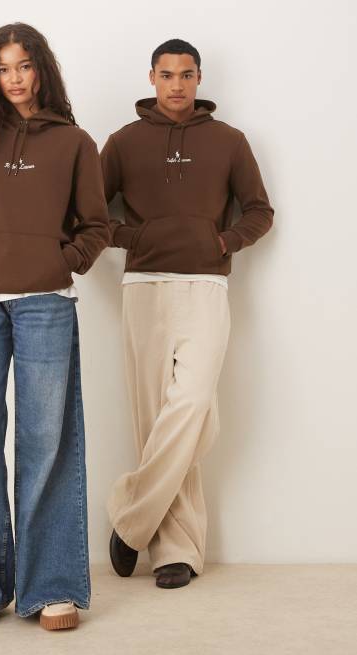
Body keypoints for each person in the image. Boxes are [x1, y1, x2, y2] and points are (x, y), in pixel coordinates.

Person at [0, 22, 109, 630]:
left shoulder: (74, 143)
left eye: (24, 66)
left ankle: (51, 585)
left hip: (47, 302)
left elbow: (96, 226)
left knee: (47, 442)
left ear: (41, 70)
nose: (14, 78)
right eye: (3, 68)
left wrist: (61, 261)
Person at [100, 39, 273, 589]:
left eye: (187, 74)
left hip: (206, 284)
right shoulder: (123, 143)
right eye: (167, 74)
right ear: (152, 77)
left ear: (199, 79)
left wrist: (223, 242)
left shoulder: (229, 141)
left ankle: (131, 520)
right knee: (155, 418)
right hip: (144, 285)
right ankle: (175, 552)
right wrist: (134, 238)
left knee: (195, 406)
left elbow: (260, 211)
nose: (177, 84)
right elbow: (88, 214)